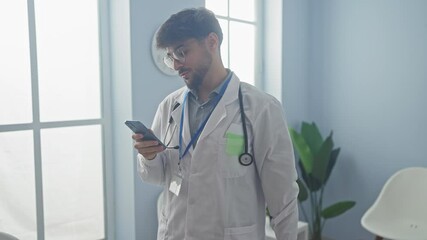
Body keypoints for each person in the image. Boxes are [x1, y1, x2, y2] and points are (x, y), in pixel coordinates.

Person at [132, 7, 299, 240]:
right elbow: (157, 177)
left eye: (182, 52)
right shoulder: (170, 107)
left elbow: (283, 197)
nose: (176, 64)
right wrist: (148, 156)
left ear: (212, 42)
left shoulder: (262, 109)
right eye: (171, 57)